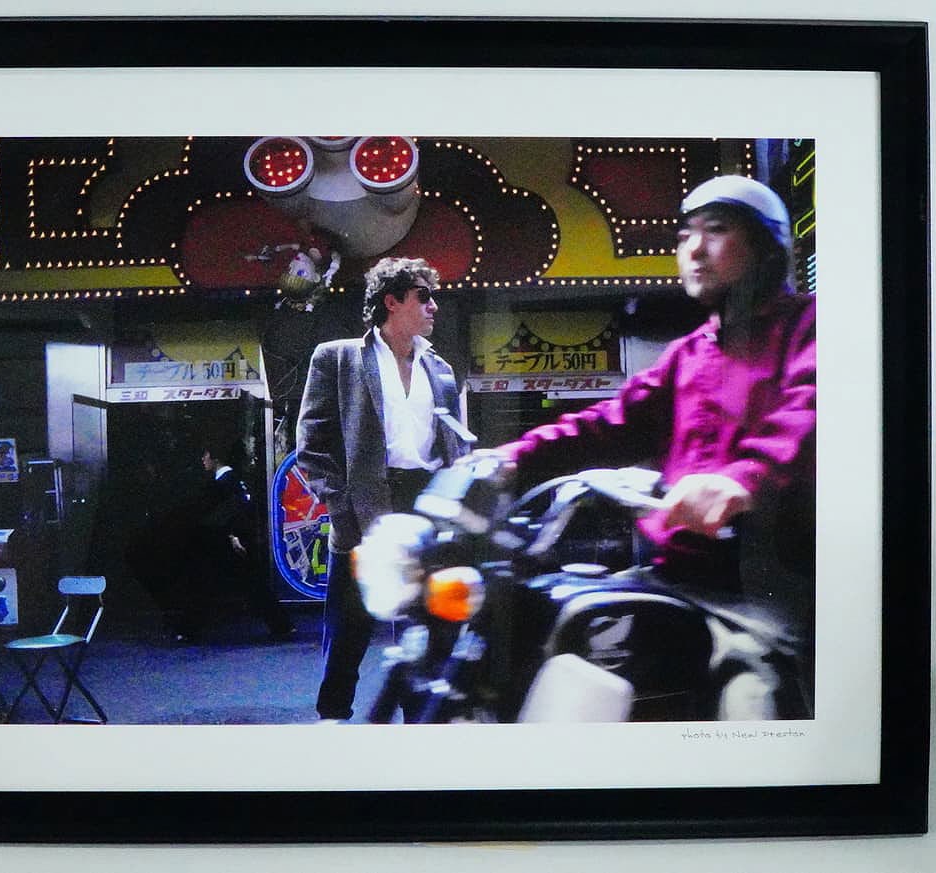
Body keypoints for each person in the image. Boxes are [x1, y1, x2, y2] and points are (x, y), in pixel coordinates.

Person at [495, 175, 816, 718]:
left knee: (752, 702)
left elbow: (809, 413)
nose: (694, 248)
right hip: (671, 576)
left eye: (716, 231)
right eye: (686, 234)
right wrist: (510, 456)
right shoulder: (689, 353)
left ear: (766, 247)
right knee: (557, 629)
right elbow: (609, 423)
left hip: (763, 592)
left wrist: (742, 480)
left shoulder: (810, 328)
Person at [296, 256, 467, 720]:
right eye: (423, 296)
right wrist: (339, 504)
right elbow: (312, 442)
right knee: (350, 622)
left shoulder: (442, 369)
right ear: (391, 302)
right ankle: (333, 716)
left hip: (425, 502)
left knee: (422, 622)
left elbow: (452, 442)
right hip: (363, 501)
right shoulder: (338, 356)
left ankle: (416, 720)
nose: (434, 306)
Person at [197, 446, 296, 641]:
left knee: (215, 582)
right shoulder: (235, 480)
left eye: (206, 455)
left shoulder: (224, 483)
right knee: (252, 583)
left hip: (231, 540)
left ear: (215, 458)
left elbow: (228, 512)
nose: (203, 459)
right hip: (237, 539)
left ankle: (190, 628)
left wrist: (232, 535)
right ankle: (281, 624)